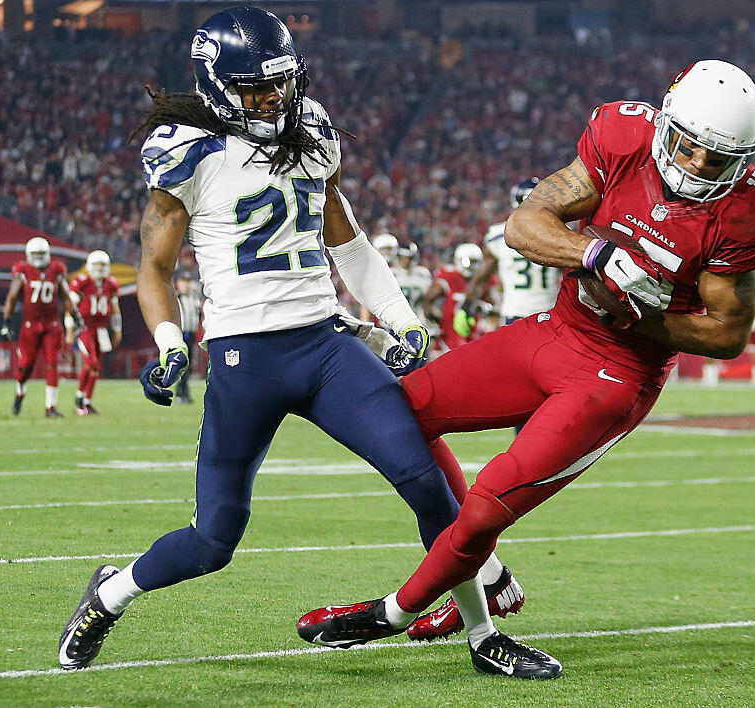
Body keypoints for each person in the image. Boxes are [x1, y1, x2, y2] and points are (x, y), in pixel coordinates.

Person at [58, 6, 537, 676]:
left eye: (282, 82)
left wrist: (401, 317)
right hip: (243, 359)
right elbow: (155, 269)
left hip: (324, 347)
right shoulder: (189, 152)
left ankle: (484, 638)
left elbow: (348, 240)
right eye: (258, 87)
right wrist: (171, 342)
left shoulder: (310, 130)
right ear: (217, 85)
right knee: (212, 541)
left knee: (432, 488)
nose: (275, 98)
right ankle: (108, 596)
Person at [297, 60, 755, 678]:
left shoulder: (746, 211)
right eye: (687, 147)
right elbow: (524, 225)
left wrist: (636, 315)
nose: (694, 166)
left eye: (714, 160)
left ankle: (394, 613)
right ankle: (487, 579)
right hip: (554, 333)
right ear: (665, 125)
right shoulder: (624, 137)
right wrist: (597, 252)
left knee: (486, 504)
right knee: (398, 414)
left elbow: (727, 334)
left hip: (615, 378)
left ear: (741, 158)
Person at [454, 178, 561, 339]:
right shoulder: (559, 232)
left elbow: (481, 279)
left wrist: (466, 307)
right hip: (549, 315)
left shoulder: (498, 236)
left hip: (515, 316)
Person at [1, 236, 80, 417]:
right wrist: (6, 321)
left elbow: (66, 296)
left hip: (52, 325)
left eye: (41, 254)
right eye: (35, 254)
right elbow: (12, 297)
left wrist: (75, 315)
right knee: (26, 365)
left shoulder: (57, 270)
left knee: (53, 363)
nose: (38, 258)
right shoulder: (23, 271)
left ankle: (50, 408)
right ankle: (20, 393)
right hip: (30, 325)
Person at [68, 250, 122, 415]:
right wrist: (70, 330)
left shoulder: (111, 284)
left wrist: (118, 330)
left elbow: (114, 310)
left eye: (102, 265)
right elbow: (70, 308)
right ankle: (79, 399)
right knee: (90, 363)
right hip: (85, 328)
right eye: (97, 264)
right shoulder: (81, 282)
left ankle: (88, 401)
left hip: (101, 329)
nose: (99, 268)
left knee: (96, 367)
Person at [424, 243, 484, 353]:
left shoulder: (482, 280)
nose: (470, 265)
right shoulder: (450, 276)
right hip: (448, 336)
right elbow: (428, 300)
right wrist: (434, 318)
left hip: (473, 334)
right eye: (467, 261)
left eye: (474, 262)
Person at [174, 272, 202, 403]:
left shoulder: (193, 299)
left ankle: (183, 392)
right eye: (183, 281)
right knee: (182, 363)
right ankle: (182, 392)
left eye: (187, 281)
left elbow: (199, 314)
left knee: (188, 365)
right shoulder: (176, 299)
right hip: (180, 334)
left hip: (190, 334)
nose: (186, 284)